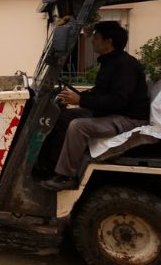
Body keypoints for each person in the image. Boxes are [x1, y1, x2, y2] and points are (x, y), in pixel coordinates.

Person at [40, 21, 151, 191]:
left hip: (129, 119)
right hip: (112, 113)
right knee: (61, 117)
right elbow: (100, 92)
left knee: (78, 126)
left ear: (109, 41)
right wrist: (77, 97)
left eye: (96, 38)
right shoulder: (110, 62)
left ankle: (65, 176)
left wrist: (81, 100)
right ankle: (51, 165)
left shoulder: (125, 65)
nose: (92, 41)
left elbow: (118, 101)